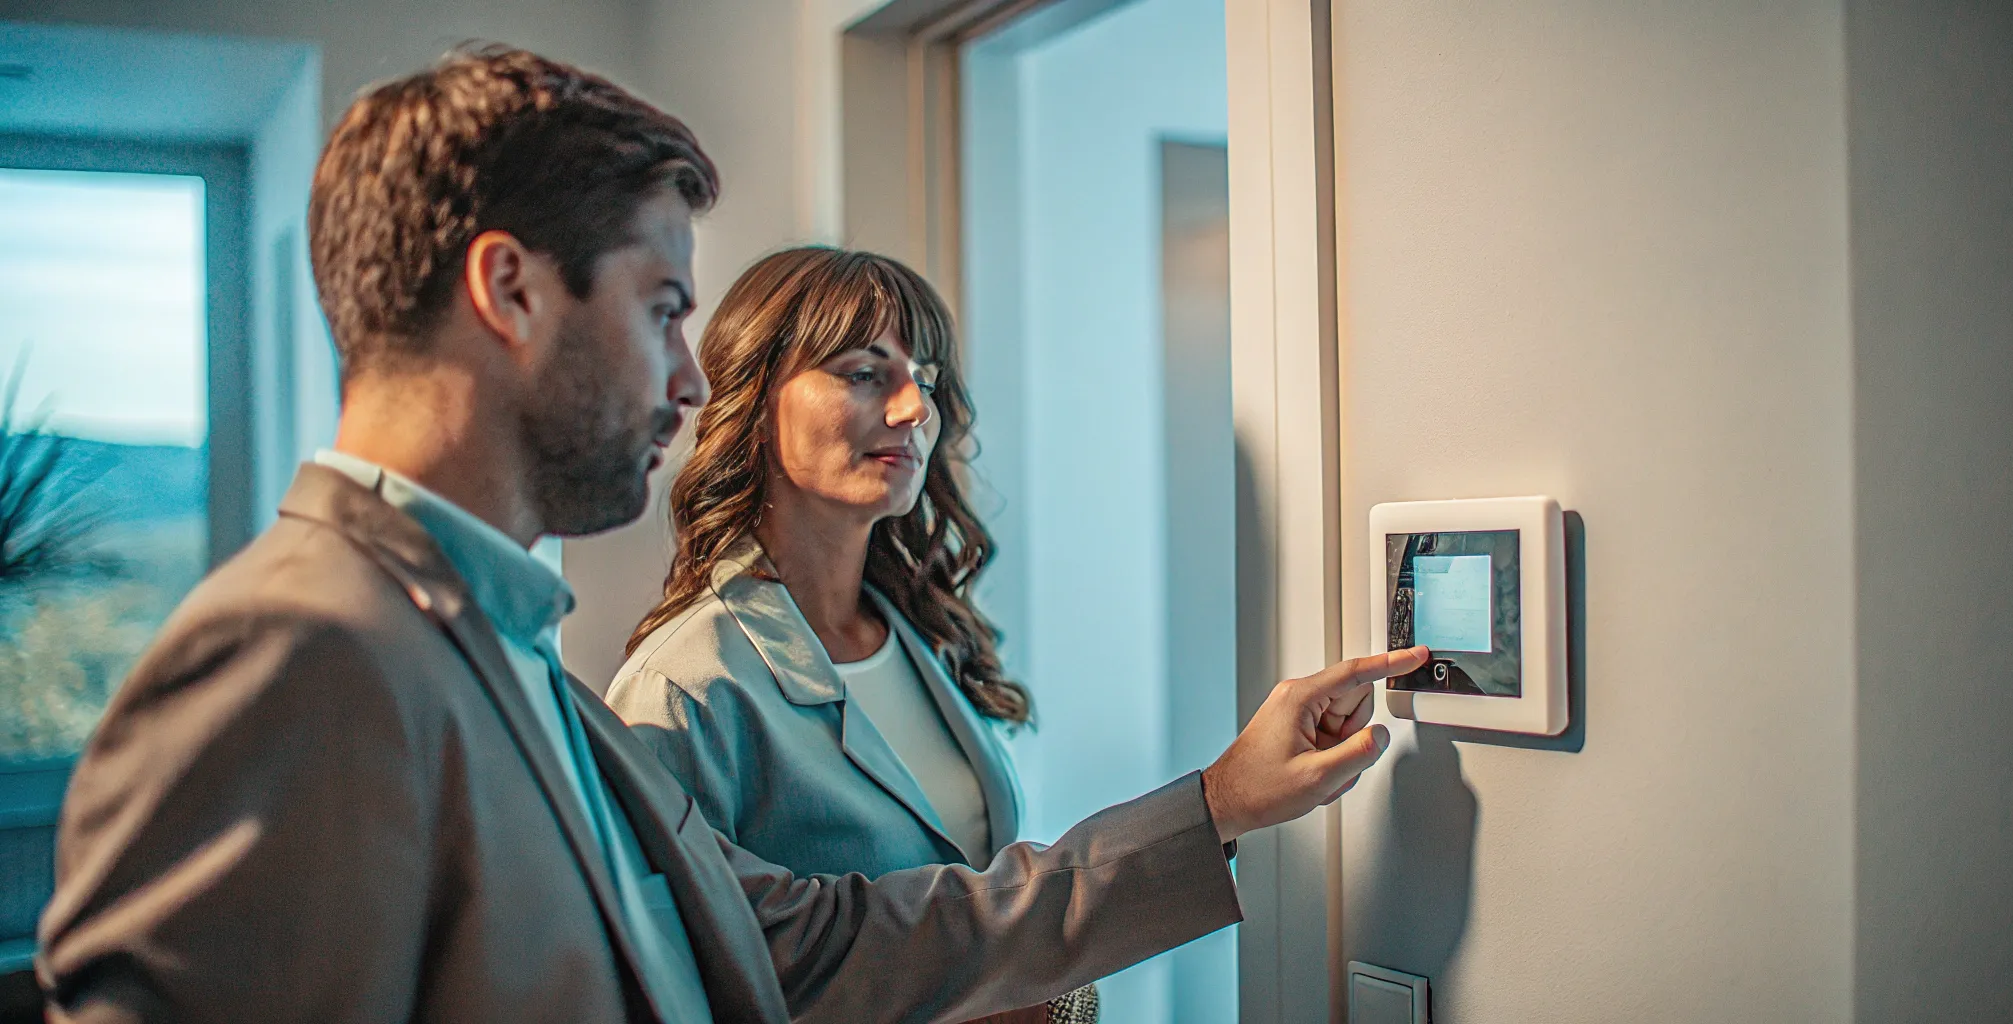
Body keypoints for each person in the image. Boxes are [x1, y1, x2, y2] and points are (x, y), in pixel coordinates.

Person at [34, 45, 1427, 1024]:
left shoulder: (508, 655)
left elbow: (802, 945)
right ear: (510, 292)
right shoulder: (296, 652)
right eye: (660, 309)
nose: (692, 381)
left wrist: (1215, 805)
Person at [606, 246, 1083, 1022]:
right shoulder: (683, 688)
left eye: (926, 379)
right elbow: (675, 987)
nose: (913, 409)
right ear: (756, 400)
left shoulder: (926, 638)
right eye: (864, 373)